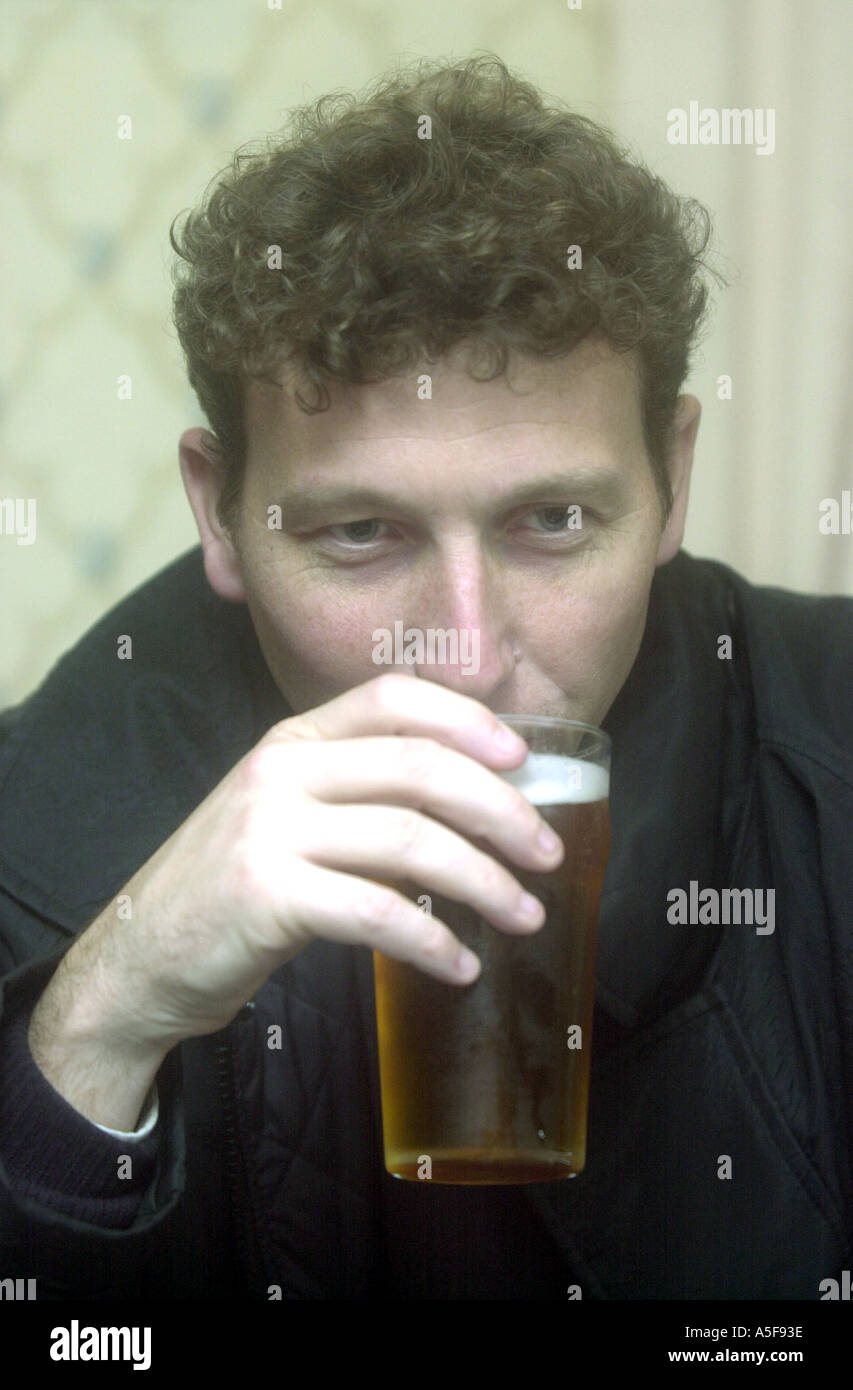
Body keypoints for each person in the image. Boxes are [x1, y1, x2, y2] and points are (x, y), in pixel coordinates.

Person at [0, 53, 850, 1302]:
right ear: (222, 515)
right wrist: (102, 1017)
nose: (461, 651)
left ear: (671, 473)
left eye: (552, 518)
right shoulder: (32, 831)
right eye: (360, 534)